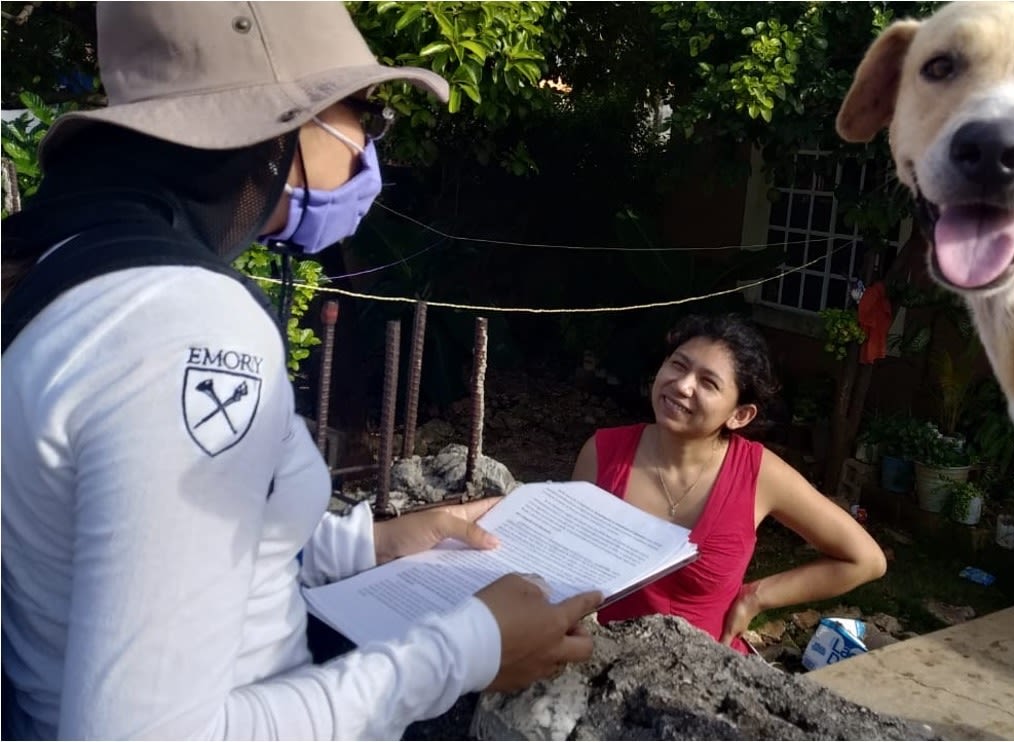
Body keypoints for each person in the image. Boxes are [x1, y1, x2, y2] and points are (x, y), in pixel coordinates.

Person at [0, 3, 599, 739]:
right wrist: (470, 648)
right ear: (288, 119)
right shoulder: (185, 323)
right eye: (367, 118)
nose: (370, 149)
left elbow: (151, 556)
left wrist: (372, 543)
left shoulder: (72, 268)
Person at [571, 314, 887, 653]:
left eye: (708, 383)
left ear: (740, 415)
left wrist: (757, 597)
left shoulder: (758, 473)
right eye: (678, 365)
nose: (682, 385)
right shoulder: (603, 453)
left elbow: (866, 559)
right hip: (606, 665)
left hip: (708, 677)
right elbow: (565, 561)